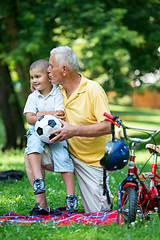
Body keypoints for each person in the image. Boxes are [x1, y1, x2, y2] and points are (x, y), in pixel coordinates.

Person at [25, 46, 113, 214]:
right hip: (64, 151)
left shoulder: (92, 89)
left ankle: (99, 193)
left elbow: (108, 126)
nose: (48, 71)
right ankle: (41, 206)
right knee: (31, 151)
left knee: (100, 211)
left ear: (64, 69)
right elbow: (35, 112)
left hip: (90, 162)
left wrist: (74, 130)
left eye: (51, 66)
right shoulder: (57, 93)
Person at [24, 59, 78, 215]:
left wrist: (38, 115)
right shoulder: (32, 97)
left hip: (55, 133)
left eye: (38, 77)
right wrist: (48, 114)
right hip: (36, 132)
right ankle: (38, 181)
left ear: (49, 76)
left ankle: (71, 198)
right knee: (32, 147)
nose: (34, 81)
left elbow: (59, 115)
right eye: (32, 77)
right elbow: (30, 119)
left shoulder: (57, 94)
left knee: (64, 159)